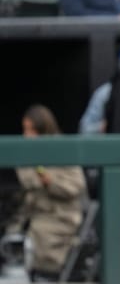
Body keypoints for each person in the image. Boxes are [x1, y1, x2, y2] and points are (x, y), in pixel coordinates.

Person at [6, 105, 87, 282]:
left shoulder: (62, 148)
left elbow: (75, 186)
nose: (27, 136)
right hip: (32, 215)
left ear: (44, 130)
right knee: (12, 235)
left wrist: (50, 182)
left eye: (32, 131)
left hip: (60, 217)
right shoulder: (24, 151)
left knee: (38, 237)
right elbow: (27, 181)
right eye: (25, 130)